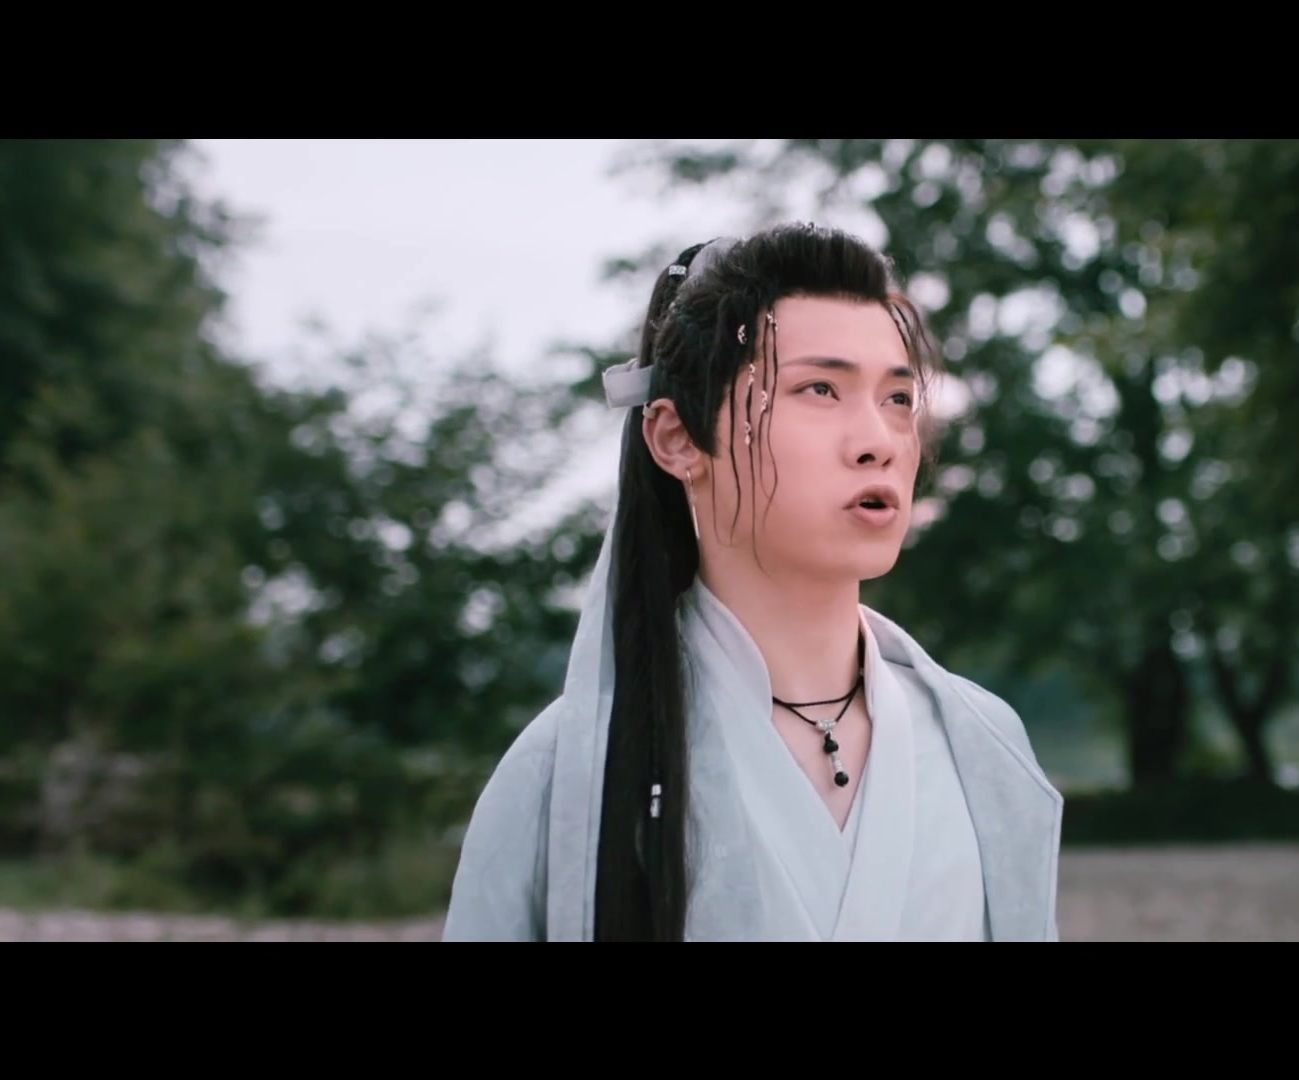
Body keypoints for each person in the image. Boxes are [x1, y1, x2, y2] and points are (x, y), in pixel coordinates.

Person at [441, 222, 1063, 942]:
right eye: (820, 389)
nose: (879, 442)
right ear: (677, 437)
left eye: (898, 399)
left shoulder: (981, 742)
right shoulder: (571, 768)